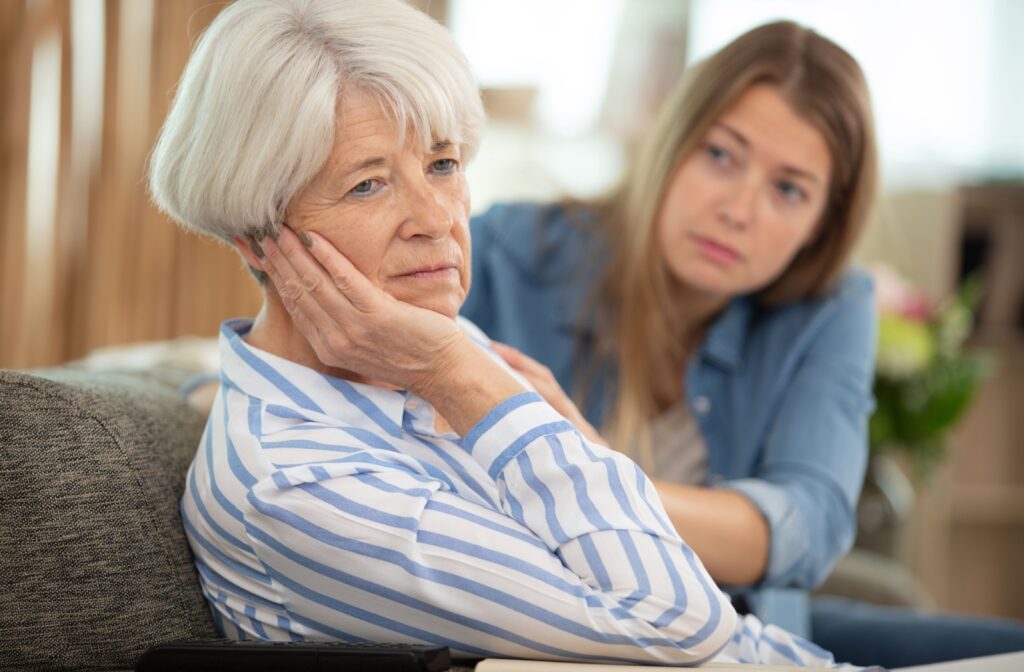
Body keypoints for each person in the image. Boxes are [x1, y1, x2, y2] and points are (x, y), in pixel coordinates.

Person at [149, 0, 866, 667]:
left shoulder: (431, 348)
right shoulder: (303, 482)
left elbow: (790, 547)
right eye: (368, 183)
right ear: (255, 235)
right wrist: (459, 373)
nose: (438, 218)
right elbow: (681, 621)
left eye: (443, 164)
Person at [461, 20, 1024, 668]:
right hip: (539, 630)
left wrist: (596, 476)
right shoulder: (506, 252)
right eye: (721, 156)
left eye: (788, 190)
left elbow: (808, 523)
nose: (739, 210)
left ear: (822, 224)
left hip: (735, 634)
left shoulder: (832, 306)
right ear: (673, 140)